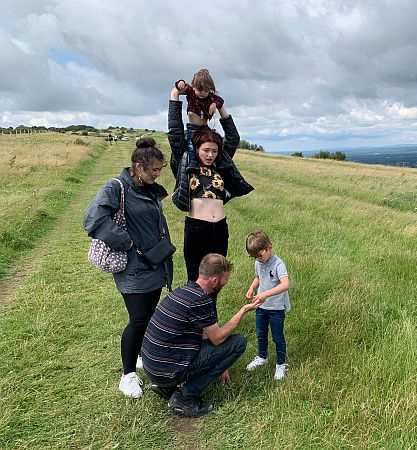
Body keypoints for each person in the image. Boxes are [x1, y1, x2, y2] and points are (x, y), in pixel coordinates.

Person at [83, 137, 173, 399]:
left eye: (160, 170)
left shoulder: (148, 188)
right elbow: (92, 218)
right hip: (134, 270)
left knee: (148, 316)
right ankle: (127, 375)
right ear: (138, 166)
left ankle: (142, 356)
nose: (158, 174)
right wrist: (127, 242)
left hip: (154, 265)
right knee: (138, 320)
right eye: (153, 170)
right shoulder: (117, 187)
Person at [141, 253, 260, 417]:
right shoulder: (201, 300)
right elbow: (217, 338)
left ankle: (166, 387)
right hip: (165, 372)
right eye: (226, 279)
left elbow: (206, 335)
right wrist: (243, 310)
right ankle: (184, 397)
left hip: (153, 369)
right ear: (214, 281)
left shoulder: (184, 290)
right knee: (238, 342)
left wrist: (220, 362)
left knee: (219, 345)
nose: (226, 282)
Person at [168, 85, 253, 289]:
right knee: (195, 282)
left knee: (216, 281)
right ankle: (194, 320)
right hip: (197, 229)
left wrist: (221, 105)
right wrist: (174, 96)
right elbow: (175, 132)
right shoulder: (187, 159)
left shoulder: (221, 162)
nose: (210, 155)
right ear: (197, 149)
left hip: (219, 229)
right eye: (205, 150)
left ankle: (210, 320)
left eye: (214, 151)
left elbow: (233, 138)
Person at [244, 230, 291, 380]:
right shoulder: (258, 262)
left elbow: (285, 285)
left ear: (269, 247)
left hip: (276, 308)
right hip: (261, 306)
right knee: (261, 333)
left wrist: (265, 294)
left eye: (259, 255)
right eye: (253, 257)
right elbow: (258, 277)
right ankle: (262, 357)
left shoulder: (278, 264)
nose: (257, 259)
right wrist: (252, 287)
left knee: (277, 337)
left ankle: (281, 364)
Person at [175, 69, 224, 167]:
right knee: (191, 145)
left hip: (205, 128)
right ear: (193, 87)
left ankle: (212, 163)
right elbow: (180, 85)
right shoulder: (190, 91)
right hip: (193, 127)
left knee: (210, 144)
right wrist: (181, 82)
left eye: (206, 91)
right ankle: (192, 164)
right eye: (200, 90)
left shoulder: (210, 97)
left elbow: (220, 100)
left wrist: (214, 104)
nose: (202, 93)